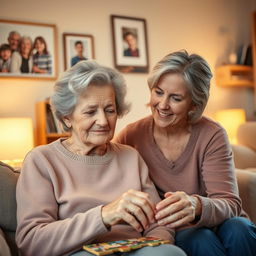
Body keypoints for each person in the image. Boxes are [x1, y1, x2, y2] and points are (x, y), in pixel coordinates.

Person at [15, 60, 186, 256]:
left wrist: (156, 243)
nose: (103, 121)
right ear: (66, 118)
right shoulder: (42, 161)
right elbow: (31, 242)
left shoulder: (130, 157)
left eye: (110, 110)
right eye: (90, 111)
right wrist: (104, 216)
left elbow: (157, 223)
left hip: (134, 249)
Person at [115, 50, 256, 256]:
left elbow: (230, 204)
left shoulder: (212, 134)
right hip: (179, 230)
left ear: (194, 104)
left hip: (223, 222)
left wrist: (196, 205)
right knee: (200, 238)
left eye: (176, 98)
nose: (162, 105)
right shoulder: (131, 135)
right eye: (158, 92)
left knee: (240, 229)